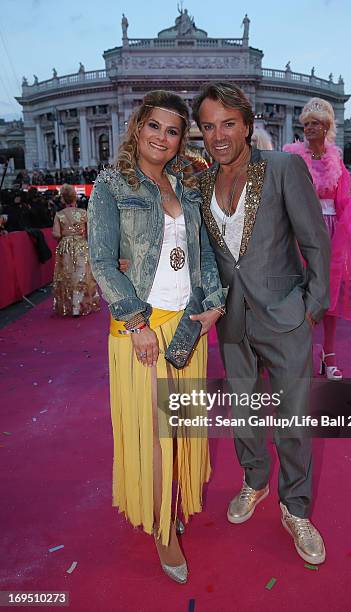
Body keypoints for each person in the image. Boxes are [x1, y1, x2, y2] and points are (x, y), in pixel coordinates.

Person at [87, 90, 225, 584]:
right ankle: (162, 527)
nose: (162, 138)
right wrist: (135, 323)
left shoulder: (184, 188)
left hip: (189, 325)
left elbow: (203, 251)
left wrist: (212, 304)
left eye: (172, 131)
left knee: (182, 427)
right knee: (152, 431)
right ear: (137, 126)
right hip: (140, 330)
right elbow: (103, 261)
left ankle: (174, 498)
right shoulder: (110, 185)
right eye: (154, 126)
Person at [192, 82, 330, 565]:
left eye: (228, 123)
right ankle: (254, 482)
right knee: (244, 415)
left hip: (287, 316)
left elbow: (315, 240)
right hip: (231, 320)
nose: (219, 135)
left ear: (247, 125)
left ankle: (296, 509)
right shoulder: (203, 183)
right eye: (208, 126)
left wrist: (313, 305)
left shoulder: (283, 168)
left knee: (292, 419)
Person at [284, 98, 351, 380]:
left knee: (329, 296)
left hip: (331, 233)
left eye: (314, 124)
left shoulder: (337, 161)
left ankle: (329, 355)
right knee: (299, 296)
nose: (308, 129)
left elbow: (344, 200)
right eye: (305, 124)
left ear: (327, 125)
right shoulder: (292, 157)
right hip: (299, 232)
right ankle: (301, 354)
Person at [52, 183, 99, 316]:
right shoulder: (83, 213)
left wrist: (65, 234)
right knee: (82, 274)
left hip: (65, 246)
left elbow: (56, 234)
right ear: (75, 198)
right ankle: (78, 306)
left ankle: (71, 306)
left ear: (62, 199)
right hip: (81, 245)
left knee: (67, 275)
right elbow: (91, 232)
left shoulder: (59, 215)